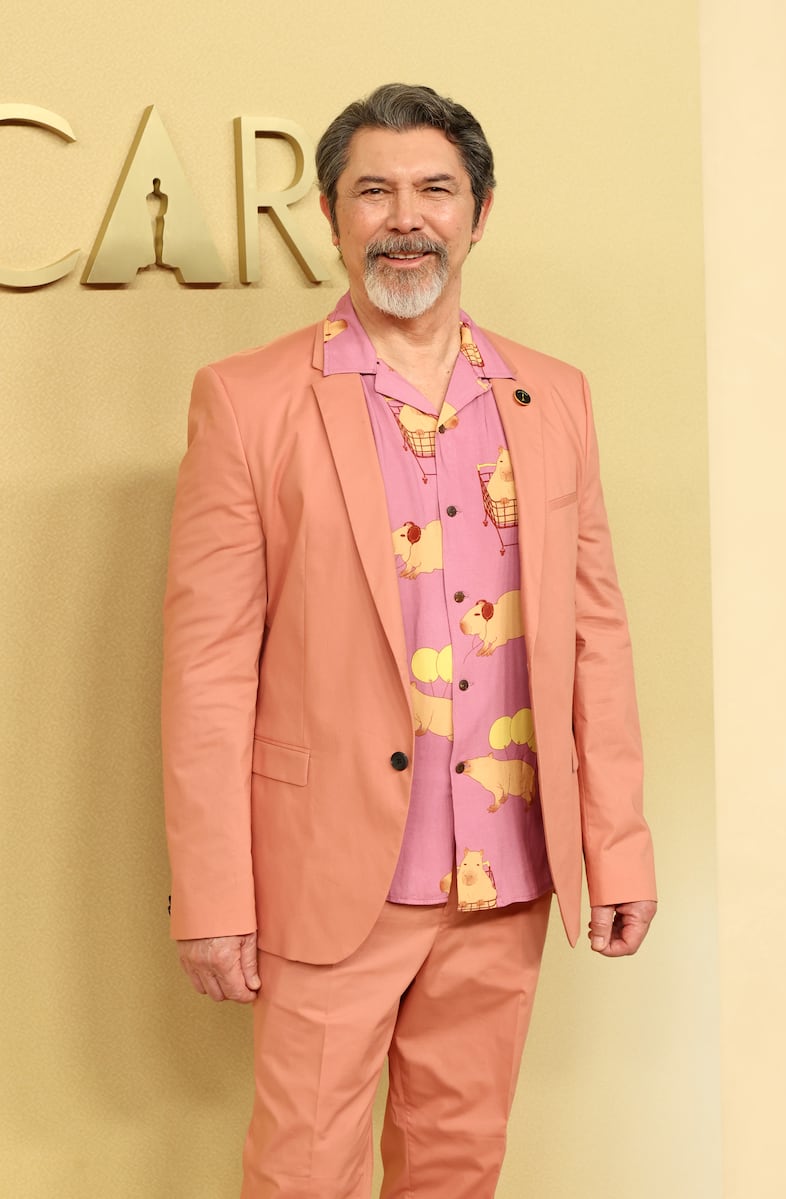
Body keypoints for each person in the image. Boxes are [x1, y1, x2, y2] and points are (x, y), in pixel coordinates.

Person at [162, 82, 657, 1199]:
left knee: (458, 1166)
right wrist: (213, 893)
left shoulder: (554, 398)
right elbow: (205, 672)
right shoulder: (247, 402)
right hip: (328, 873)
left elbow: (596, 639)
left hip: (508, 868)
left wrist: (617, 846)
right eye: (372, 191)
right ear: (330, 218)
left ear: (479, 212)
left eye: (434, 189)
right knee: (301, 1173)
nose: (404, 217)